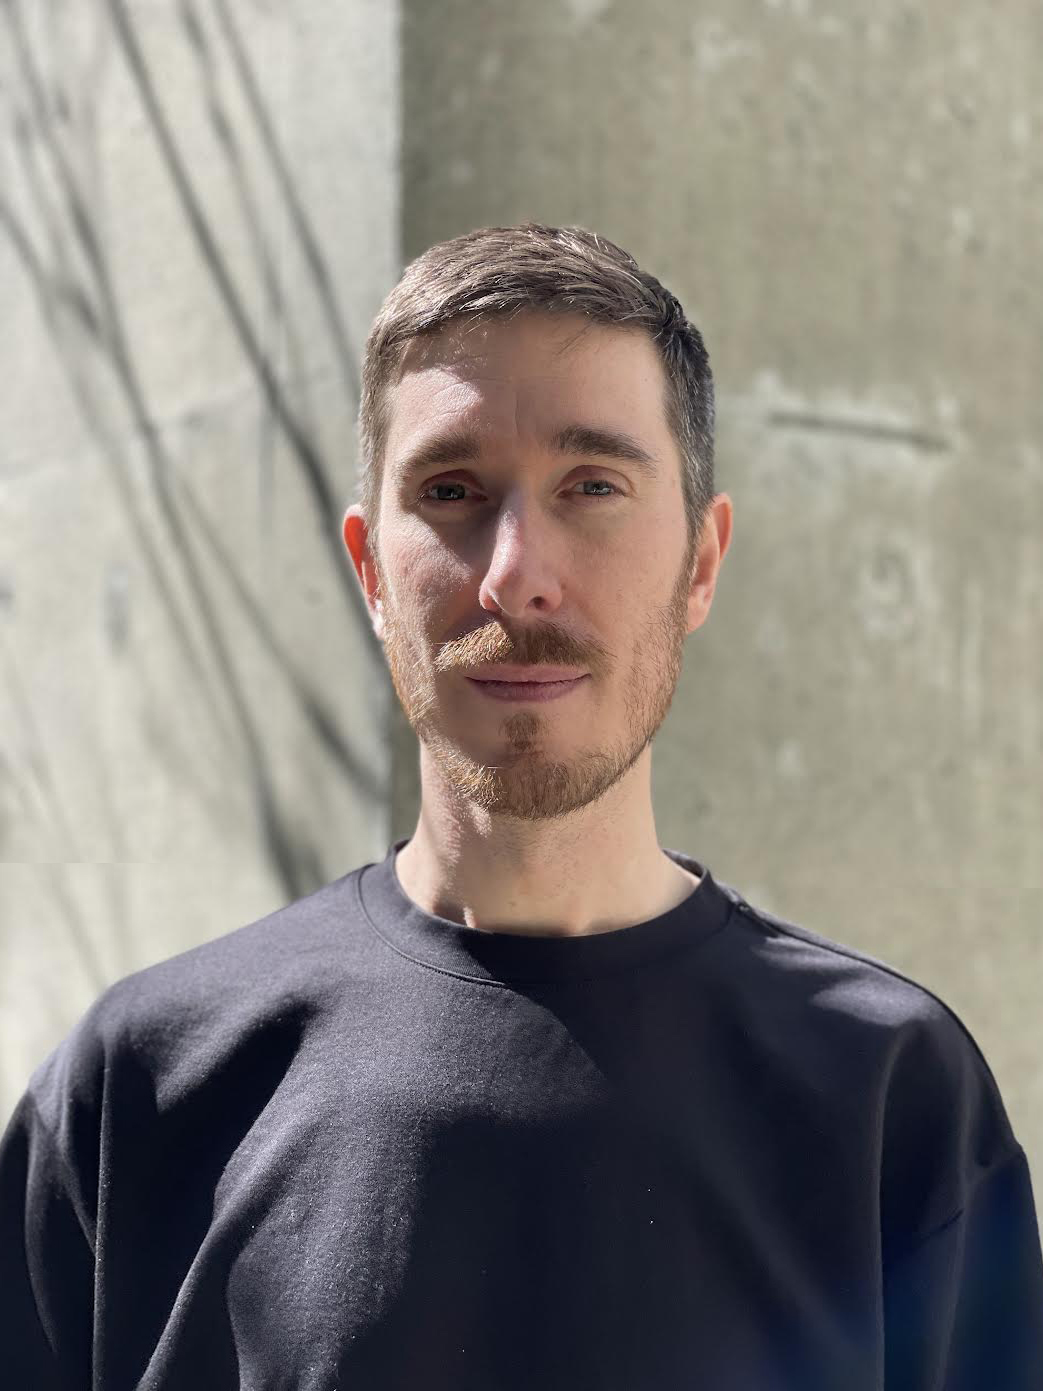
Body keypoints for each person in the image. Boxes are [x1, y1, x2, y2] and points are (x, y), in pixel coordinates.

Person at [1, 223, 1040, 1390]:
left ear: (700, 561)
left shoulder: (887, 1093)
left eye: (591, 486)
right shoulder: (140, 1090)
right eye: (450, 490)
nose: (514, 575)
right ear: (370, 572)